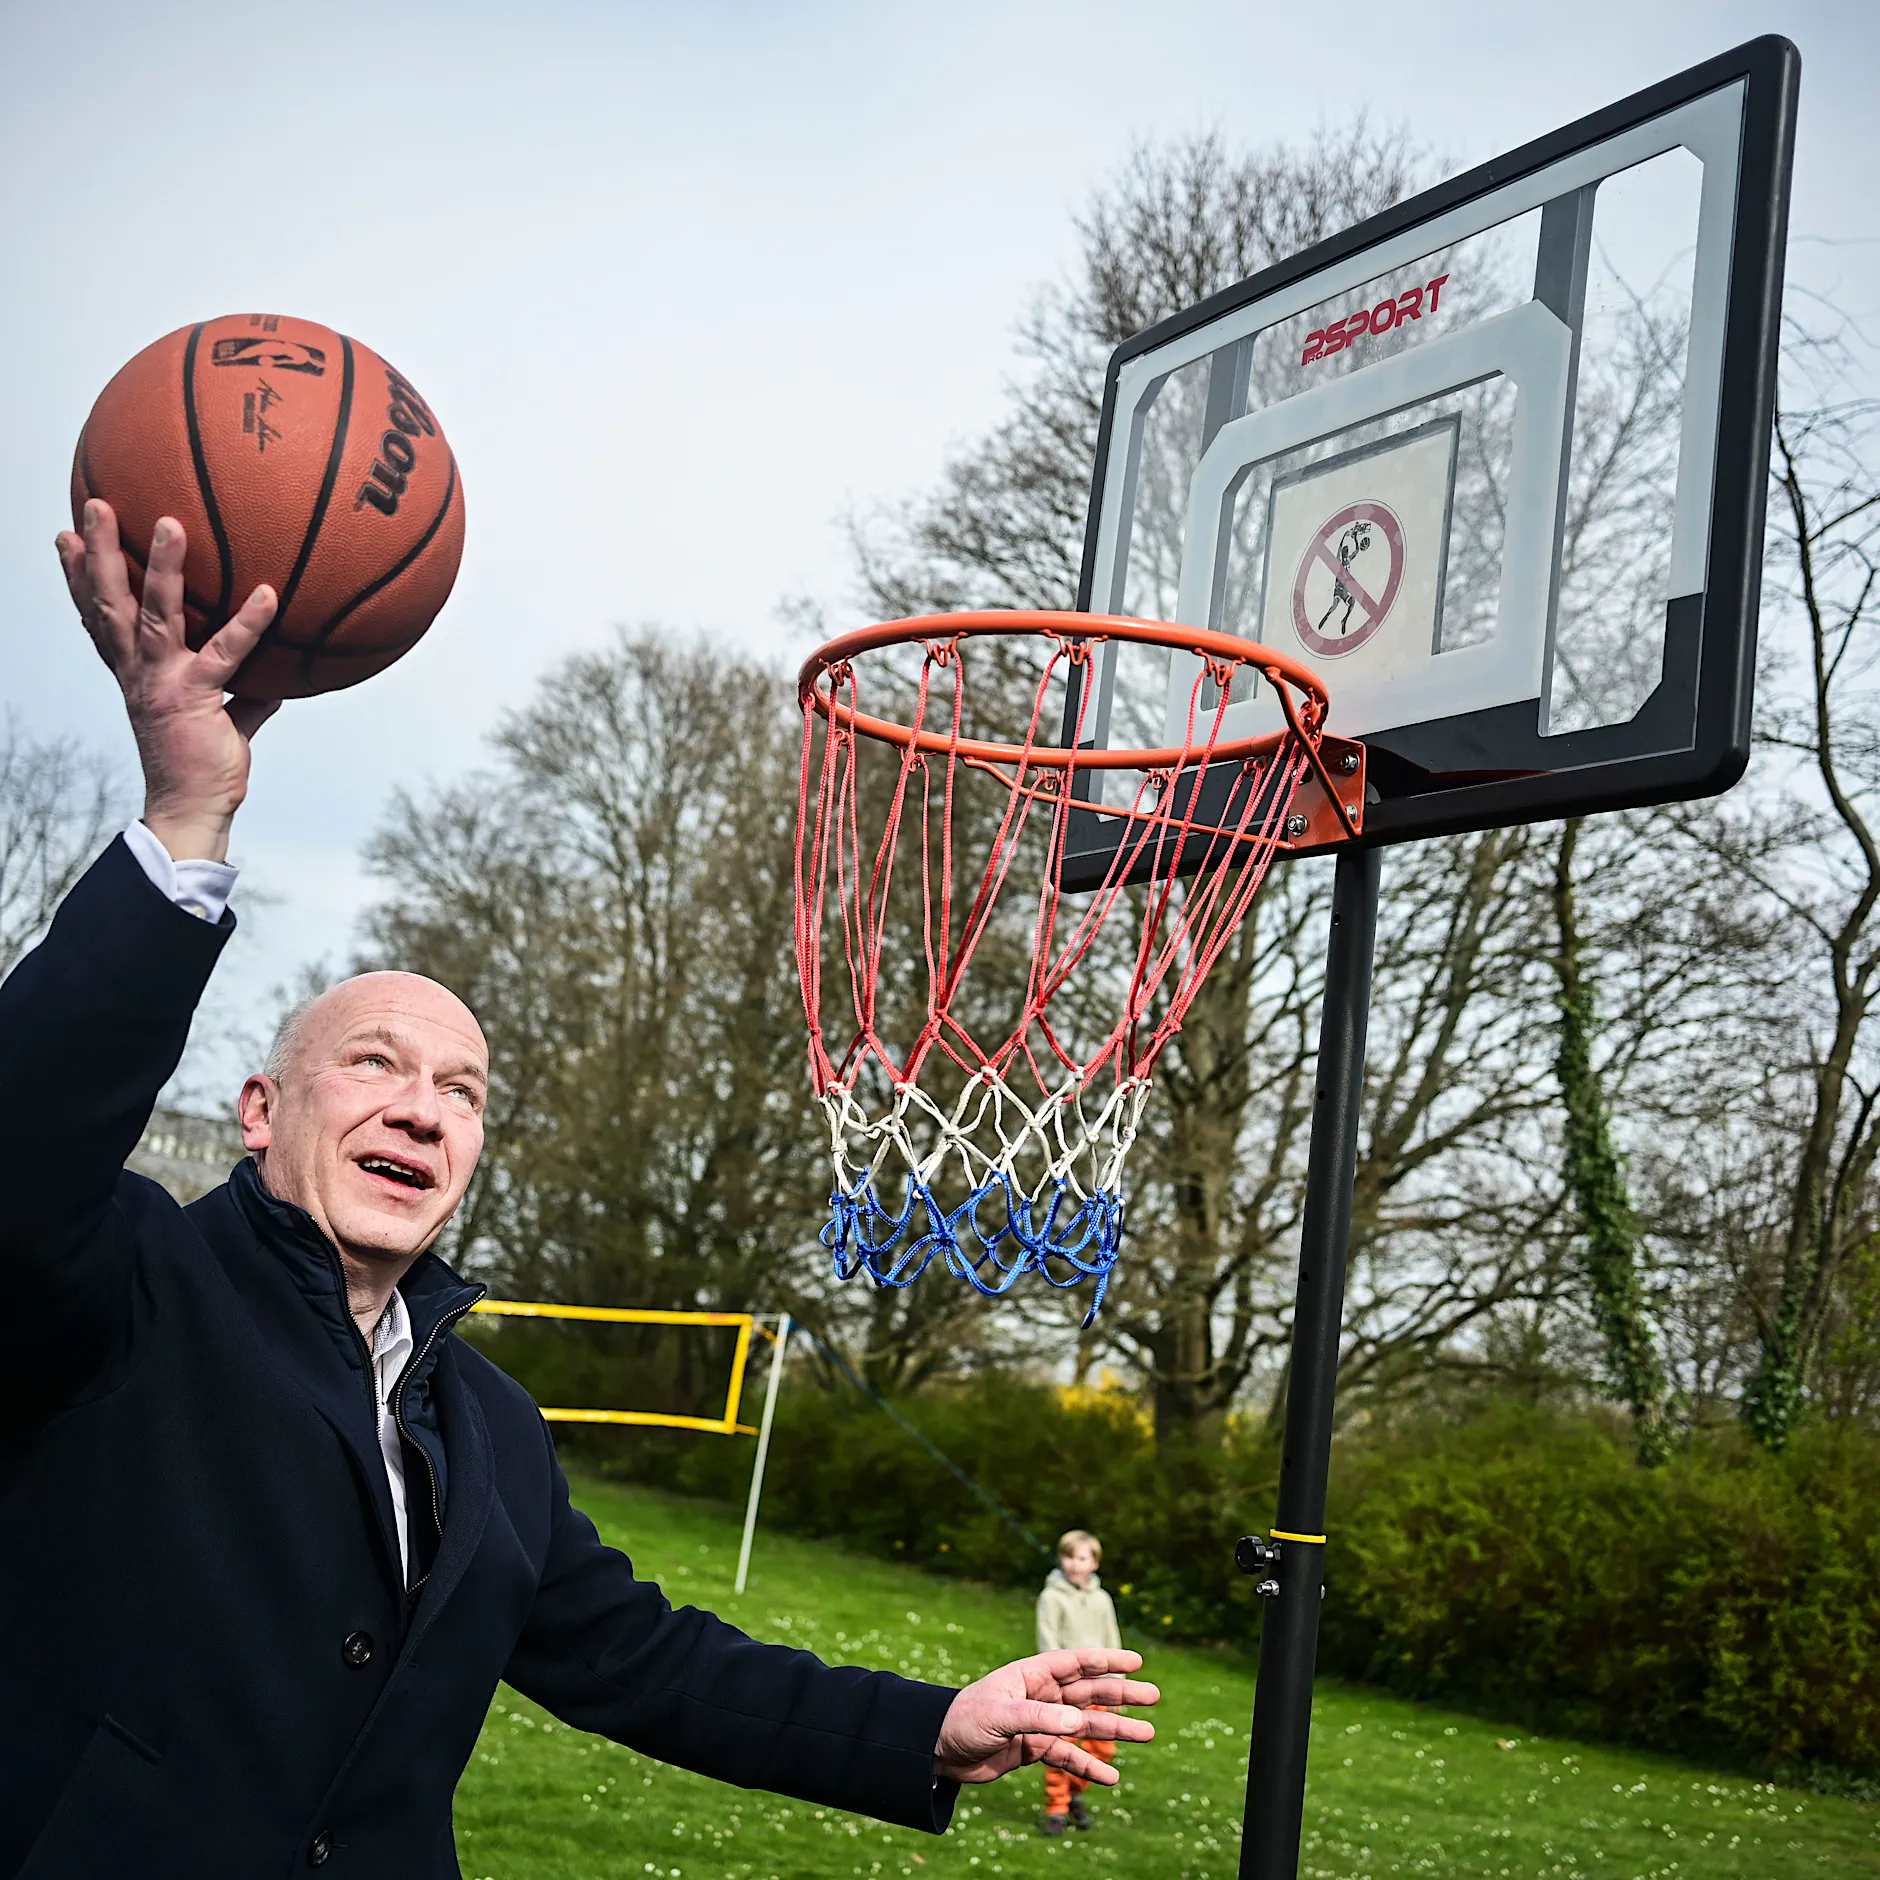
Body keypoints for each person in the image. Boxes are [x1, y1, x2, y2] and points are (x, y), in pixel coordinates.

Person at [0, 502, 1159, 1880]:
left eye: (463, 1091)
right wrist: (187, 817)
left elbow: (646, 1663)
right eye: (374, 1063)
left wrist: (931, 1728)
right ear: (262, 1112)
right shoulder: (123, 1284)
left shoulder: (489, 1430)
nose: (422, 1107)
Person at [1034, 1528, 1125, 1835]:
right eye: (1068, 1557)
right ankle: (1056, 1809)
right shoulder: (1051, 1598)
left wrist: (1117, 1686)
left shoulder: (1101, 1600)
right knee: (1061, 1748)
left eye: (1082, 1558)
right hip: (1067, 1690)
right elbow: (1048, 1643)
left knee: (1102, 1749)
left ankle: (1075, 1792)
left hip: (1100, 1687)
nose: (1074, 1564)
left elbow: (1113, 1641)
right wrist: (1058, 1683)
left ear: (1094, 1563)